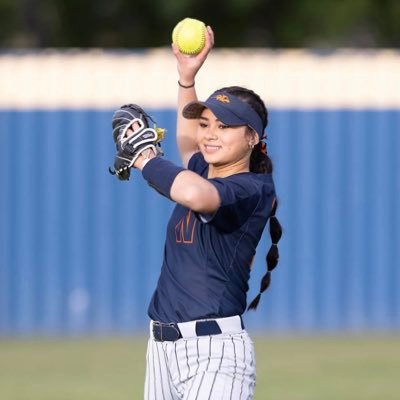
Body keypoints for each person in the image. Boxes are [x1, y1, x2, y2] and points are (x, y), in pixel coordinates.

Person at [130, 25, 282, 400]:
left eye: (224, 126)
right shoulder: (200, 168)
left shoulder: (251, 188)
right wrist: (186, 78)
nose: (210, 134)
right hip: (161, 351)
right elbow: (186, 140)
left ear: (253, 138)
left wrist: (146, 157)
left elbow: (197, 196)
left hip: (215, 354)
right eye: (206, 124)